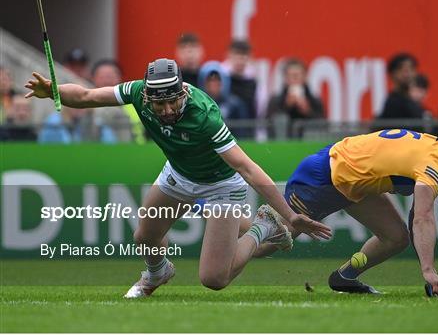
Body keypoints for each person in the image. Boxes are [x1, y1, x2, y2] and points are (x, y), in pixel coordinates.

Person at [25, 58, 331, 297]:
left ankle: (263, 227)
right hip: (179, 175)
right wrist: (52, 90)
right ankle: (158, 273)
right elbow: (88, 96)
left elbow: (247, 167)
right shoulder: (137, 93)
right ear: (148, 96)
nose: (168, 109)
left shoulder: (204, 116)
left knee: (213, 279)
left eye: (173, 101)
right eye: (160, 104)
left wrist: (290, 215)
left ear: (182, 90)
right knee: (145, 237)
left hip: (221, 185)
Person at [255, 118, 438, 296]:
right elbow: (423, 219)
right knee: (270, 243)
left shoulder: (435, 151)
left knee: (395, 237)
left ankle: (344, 277)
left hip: (354, 182)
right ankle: (225, 226)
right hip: (323, 178)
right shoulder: (432, 166)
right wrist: (429, 271)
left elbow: (416, 219)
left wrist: (427, 267)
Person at [267, 58, 324, 138]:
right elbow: (269, 124)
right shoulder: (275, 100)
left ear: (304, 77)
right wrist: (286, 106)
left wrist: (308, 111)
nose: (294, 78)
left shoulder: (314, 101)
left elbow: (322, 125)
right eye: (291, 75)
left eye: (297, 75)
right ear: (285, 78)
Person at [91, 59, 146, 143]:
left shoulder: (135, 103)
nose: (107, 81)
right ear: (93, 79)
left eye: (110, 76)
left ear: (120, 78)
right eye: (102, 77)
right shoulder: (85, 108)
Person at [198, 61, 250, 138]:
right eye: (209, 80)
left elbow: (243, 131)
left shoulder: (235, 105)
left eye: (217, 80)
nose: (213, 84)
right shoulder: (197, 104)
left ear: (224, 81)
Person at [376, 53, 424, 130]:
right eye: (402, 70)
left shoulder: (415, 103)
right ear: (392, 74)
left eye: (411, 69)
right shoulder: (393, 103)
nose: (408, 74)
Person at [222, 39, 258, 119]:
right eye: (237, 54)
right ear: (229, 55)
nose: (240, 59)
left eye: (244, 55)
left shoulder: (254, 81)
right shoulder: (220, 78)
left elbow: (259, 108)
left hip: (247, 127)